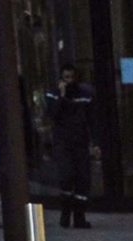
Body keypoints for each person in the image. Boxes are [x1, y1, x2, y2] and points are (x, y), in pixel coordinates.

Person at [48, 63, 95, 227]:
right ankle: (66, 213)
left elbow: (91, 118)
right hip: (63, 143)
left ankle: (80, 217)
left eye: (72, 77)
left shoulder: (85, 94)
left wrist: (94, 142)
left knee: (83, 180)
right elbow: (53, 114)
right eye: (66, 78)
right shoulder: (54, 94)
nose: (69, 81)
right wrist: (62, 95)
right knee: (66, 178)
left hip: (80, 143)